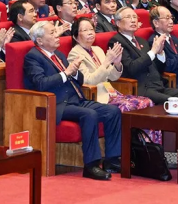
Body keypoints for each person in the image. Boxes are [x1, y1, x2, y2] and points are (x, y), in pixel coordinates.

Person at [24, 21, 121, 180]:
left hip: (76, 99)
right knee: (89, 114)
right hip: (57, 104)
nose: (57, 36)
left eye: (57, 32)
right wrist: (67, 73)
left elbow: (80, 81)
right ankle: (91, 165)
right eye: (52, 33)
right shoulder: (33, 57)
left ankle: (112, 160)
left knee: (112, 111)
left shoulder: (59, 55)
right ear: (40, 40)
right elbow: (40, 83)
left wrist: (75, 73)